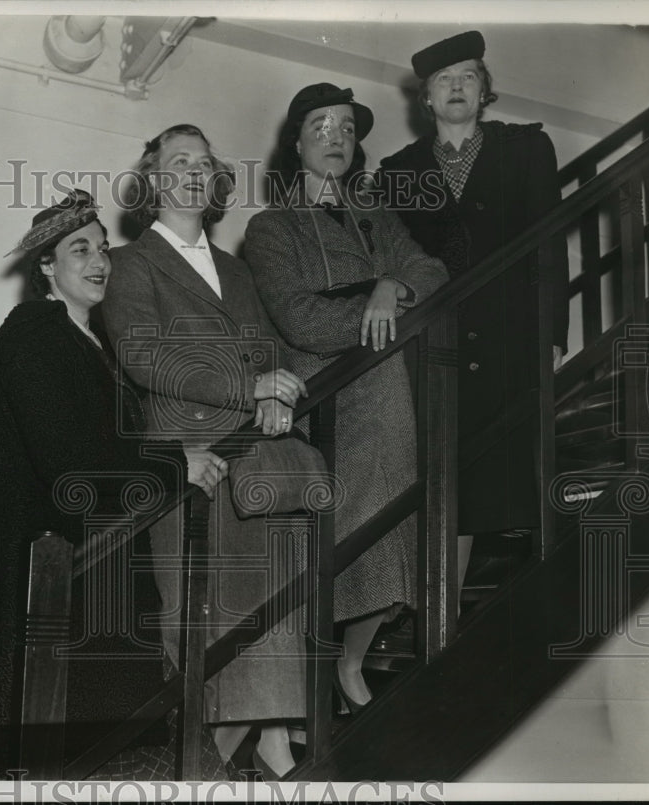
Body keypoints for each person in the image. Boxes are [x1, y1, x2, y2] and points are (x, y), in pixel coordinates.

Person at [0, 190, 229, 779]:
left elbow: (108, 446)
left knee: (117, 747)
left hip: (102, 566)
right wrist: (176, 465)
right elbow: (73, 465)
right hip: (62, 571)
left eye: (102, 249)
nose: (99, 261)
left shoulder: (89, 340)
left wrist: (179, 453)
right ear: (45, 266)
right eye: (79, 250)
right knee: (78, 756)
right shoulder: (33, 337)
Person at [103, 125, 310, 779]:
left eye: (204, 161)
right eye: (178, 160)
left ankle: (274, 738)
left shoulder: (236, 269)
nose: (193, 170)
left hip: (252, 451)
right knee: (200, 624)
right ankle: (202, 765)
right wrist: (247, 387)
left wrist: (275, 395)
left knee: (271, 598)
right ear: (153, 180)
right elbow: (144, 356)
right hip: (190, 455)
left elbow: (268, 348)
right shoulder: (131, 263)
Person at [244, 84, 448, 715]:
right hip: (328, 394)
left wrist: (391, 284)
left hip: (386, 386)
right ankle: (332, 671)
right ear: (296, 145)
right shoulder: (270, 227)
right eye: (320, 126)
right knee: (359, 536)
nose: (336, 137)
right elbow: (301, 320)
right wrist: (378, 308)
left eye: (346, 128)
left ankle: (350, 661)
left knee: (396, 529)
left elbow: (433, 270)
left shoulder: (374, 216)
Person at [379, 31, 570, 600]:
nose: (456, 86)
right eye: (444, 80)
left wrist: (553, 333)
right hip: (440, 343)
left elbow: (550, 246)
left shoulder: (527, 149)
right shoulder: (397, 170)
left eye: (468, 75)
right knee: (446, 479)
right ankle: (437, 614)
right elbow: (393, 255)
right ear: (427, 99)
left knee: (501, 480)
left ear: (485, 90)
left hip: (510, 336)